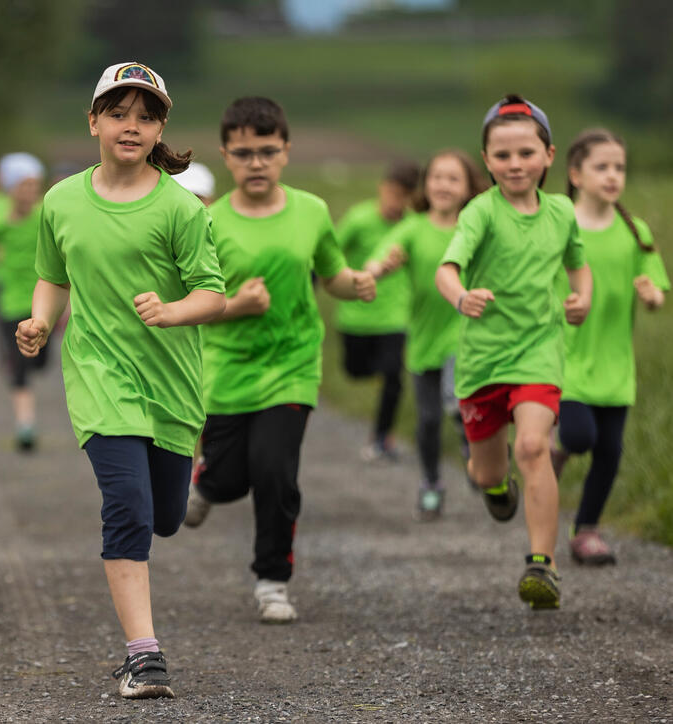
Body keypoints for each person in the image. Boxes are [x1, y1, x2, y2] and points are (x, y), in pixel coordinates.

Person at [16, 62, 225, 699]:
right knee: (127, 507)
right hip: (99, 375)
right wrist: (41, 321)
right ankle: (144, 655)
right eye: (118, 112)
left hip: (171, 383)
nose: (130, 126)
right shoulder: (61, 200)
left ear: (161, 126)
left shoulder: (179, 208)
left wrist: (170, 312)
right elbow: (52, 275)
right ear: (93, 121)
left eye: (145, 115)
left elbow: (212, 295)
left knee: (163, 515)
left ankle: (178, 486)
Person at [183, 96, 376, 624]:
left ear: (286, 151)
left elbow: (331, 271)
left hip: (293, 364)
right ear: (226, 154)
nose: (256, 163)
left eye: (267, 151)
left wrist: (352, 284)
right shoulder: (208, 222)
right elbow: (195, 307)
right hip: (227, 367)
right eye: (244, 153)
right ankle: (206, 483)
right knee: (229, 477)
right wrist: (238, 305)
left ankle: (272, 581)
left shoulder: (311, 211)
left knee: (274, 471)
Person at [435, 95, 592, 609]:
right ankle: (496, 487)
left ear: (548, 155)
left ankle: (541, 566)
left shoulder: (563, 211)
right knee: (486, 473)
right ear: (486, 160)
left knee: (532, 448)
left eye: (526, 153)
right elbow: (447, 268)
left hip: (539, 353)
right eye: (502, 156)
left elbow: (578, 263)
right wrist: (461, 296)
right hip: (483, 362)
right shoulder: (481, 212)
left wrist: (581, 296)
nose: (515, 164)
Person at [552, 128, 669, 565]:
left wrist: (652, 296)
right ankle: (556, 448)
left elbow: (655, 284)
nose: (613, 175)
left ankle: (587, 531)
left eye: (619, 167)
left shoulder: (633, 229)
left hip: (616, 363)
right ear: (576, 174)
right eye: (602, 167)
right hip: (567, 358)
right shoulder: (561, 227)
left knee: (610, 452)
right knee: (580, 436)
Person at [366, 150, 488, 519]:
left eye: (453, 178)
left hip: (466, 333)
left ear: (469, 187)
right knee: (429, 419)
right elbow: (377, 260)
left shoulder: (476, 226)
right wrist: (379, 268)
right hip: (422, 337)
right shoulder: (414, 227)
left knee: (457, 399)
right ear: (425, 184)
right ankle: (432, 482)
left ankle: (477, 458)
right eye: (436, 177)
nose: (443, 185)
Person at [335, 160, 420, 461]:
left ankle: (382, 437)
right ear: (382, 189)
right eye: (393, 193)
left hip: (394, 316)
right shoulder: (359, 219)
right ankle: (376, 372)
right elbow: (330, 253)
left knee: (393, 375)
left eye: (404, 197)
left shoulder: (412, 224)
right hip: (355, 315)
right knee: (354, 371)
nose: (396, 203)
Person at [0, 153, 48, 451]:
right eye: (24, 185)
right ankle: (26, 426)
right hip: (9, 300)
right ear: (10, 188)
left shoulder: (45, 217)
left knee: (41, 360)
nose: (30, 191)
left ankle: (26, 415)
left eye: (34, 185)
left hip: (41, 300)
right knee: (19, 364)